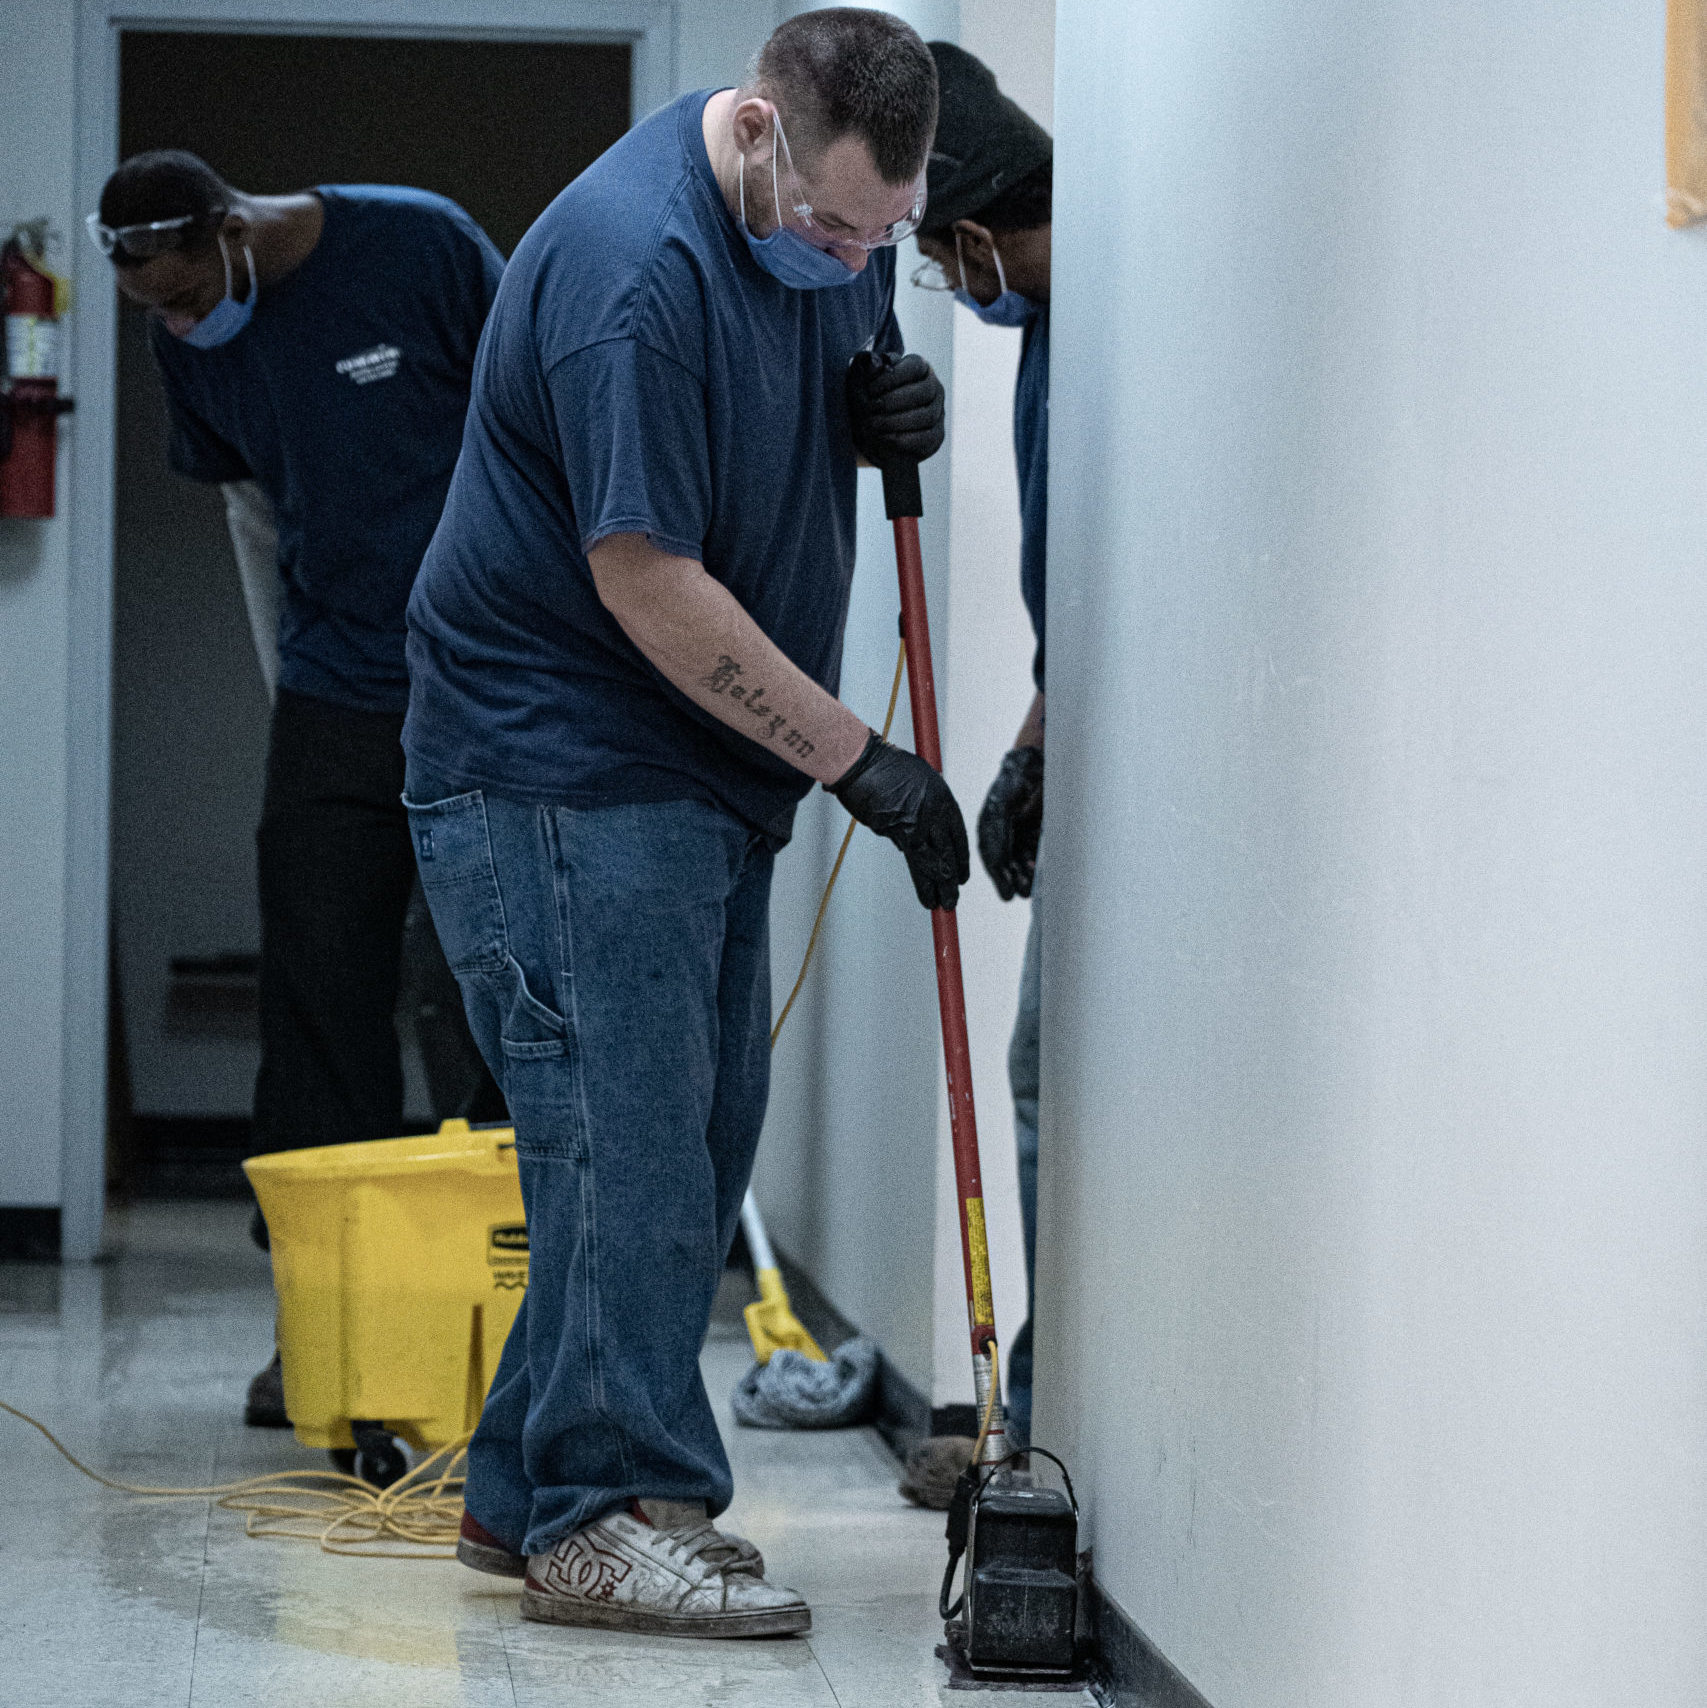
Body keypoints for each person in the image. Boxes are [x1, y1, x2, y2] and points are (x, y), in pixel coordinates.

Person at [402, 8, 960, 1639]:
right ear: (757, 133)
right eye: (835, 229)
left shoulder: (826, 230)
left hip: (691, 773)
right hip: (559, 760)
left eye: (885, 238)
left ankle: (519, 1494)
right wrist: (862, 757)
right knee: (625, 1139)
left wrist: (872, 395)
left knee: (694, 1136)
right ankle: (600, 1511)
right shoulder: (630, 273)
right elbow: (645, 581)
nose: (854, 257)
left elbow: (807, 345)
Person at [88, 152, 505, 1426]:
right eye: (150, 309)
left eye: (179, 291)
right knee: (315, 1004)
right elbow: (254, 518)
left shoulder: (421, 243)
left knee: (485, 997)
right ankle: (322, 1321)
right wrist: (298, 700)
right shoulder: (192, 342)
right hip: (335, 694)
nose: (173, 322)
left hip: (488, 680)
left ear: (230, 227)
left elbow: (531, 429)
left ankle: (494, 1325)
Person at [914, 42, 1053, 1452]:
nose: (948, 293)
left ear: (966, 234)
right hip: (1064, 730)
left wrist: (1024, 756)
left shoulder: (1102, 327)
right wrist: (1030, 749)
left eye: (932, 261)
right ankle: (1036, 1388)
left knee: (1035, 1078)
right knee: (1040, 1077)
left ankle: (1039, 1408)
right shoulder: (1053, 335)